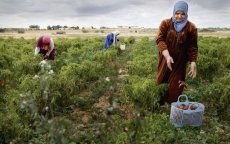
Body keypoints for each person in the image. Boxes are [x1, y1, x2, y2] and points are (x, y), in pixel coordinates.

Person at [155, 1, 198, 104]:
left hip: (180, 63)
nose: (179, 16)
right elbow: (160, 40)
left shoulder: (191, 27)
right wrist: (167, 56)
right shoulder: (165, 24)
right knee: (161, 81)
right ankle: (159, 105)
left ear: (186, 14)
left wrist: (193, 62)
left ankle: (173, 107)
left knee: (176, 86)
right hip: (165, 60)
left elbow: (192, 46)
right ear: (173, 12)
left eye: (182, 14)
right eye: (177, 13)